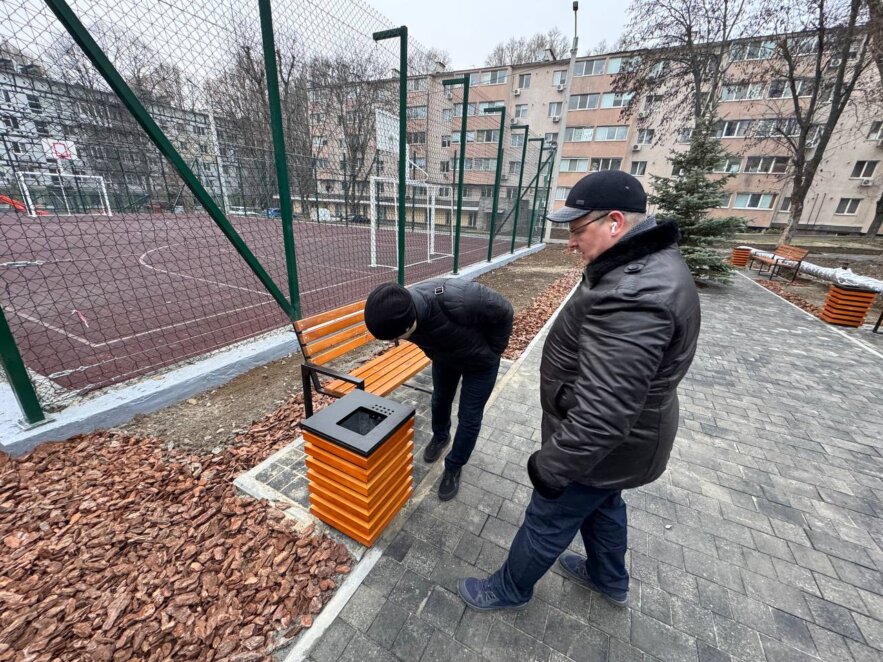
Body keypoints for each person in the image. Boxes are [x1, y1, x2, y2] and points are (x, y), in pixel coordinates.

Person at [458, 170, 701, 610]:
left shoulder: (633, 293)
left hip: (599, 447)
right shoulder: (640, 267)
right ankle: (609, 580)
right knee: (604, 505)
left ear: (614, 222)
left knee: (548, 517)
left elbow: (605, 412)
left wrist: (551, 468)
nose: (570, 242)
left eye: (576, 230)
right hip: (629, 443)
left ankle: (509, 589)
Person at [364, 278, 514, 501]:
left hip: (480, 364)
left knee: (469, 417)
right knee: (439, 400)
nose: (396, 341)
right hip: (445, 359)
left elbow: (505, 311)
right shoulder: (401, 314)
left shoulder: (460, 297)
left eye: (397, 337)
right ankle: (441, 436)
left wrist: (494, 350)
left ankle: (454, 465)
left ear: (409, 324)